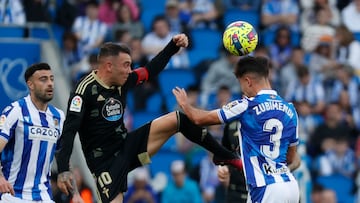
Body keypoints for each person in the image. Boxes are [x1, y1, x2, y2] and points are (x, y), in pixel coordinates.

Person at [55, 33, 242, 203]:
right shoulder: (83, 90)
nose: (130, 70)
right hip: (104, 163)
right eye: (126, 65)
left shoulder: (124, 79)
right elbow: (69, 132)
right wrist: (63, 169)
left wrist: (172, 47)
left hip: (127, 145)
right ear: (109, 66)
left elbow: (149, 70)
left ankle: (224, 155)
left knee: (178, 119)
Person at [173, 56, 301, 203]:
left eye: (241, 84)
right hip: (290, 186)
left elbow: (199, 119)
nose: (243, 90)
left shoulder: (247, 105)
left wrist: (185, 105)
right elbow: (291, 158)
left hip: (265, 188)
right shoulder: (290, 109)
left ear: (248, 81)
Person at [0, 63, 68, 202]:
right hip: (12, 196)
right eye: (43, 79)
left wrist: (66, 178)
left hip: (43, 196)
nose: (50, 84)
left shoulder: (59, 116)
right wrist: (0, 178)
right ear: (30, 85)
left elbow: (61, 152)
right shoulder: (16, 111)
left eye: (51, 79)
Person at [217, 121, 247, 203]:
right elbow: (224, 153)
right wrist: (223, 167)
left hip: (258, 189)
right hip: (235, 191)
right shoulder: (231, 125)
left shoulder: (261, 120)